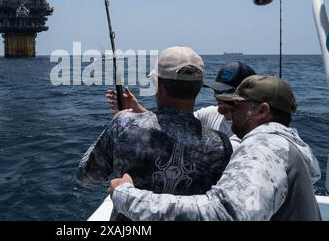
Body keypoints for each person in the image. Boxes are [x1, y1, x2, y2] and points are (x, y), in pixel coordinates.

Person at [110, 75, 322, 221]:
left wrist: (126, 195)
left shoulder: (264, 147)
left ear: (262, 111)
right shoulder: (286, 146)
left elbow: (223, 214)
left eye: (237, 105)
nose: (228, 112)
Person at [77, 46, 233, 220]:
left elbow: (87, 177)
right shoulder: (221, 144)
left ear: (158, 85)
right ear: (199, 88)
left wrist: (113, 126)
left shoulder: (123, 125)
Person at [107, 61, 256, 150]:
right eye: (217, 90)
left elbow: (218, 152)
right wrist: (137, 108)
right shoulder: (211, 113)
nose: (219, 97)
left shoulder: (251, 131)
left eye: (227, 92)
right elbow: (177, 125)